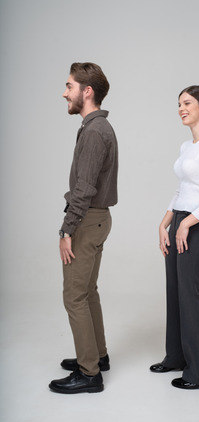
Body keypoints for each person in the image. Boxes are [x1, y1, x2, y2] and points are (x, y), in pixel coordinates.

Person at [150, 85, 199, 390]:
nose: (181, 108)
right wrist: (166, 222)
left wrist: (187, 224)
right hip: (179, 222)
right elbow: (182, 190)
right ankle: (177, 357)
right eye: (179, 104)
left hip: (197, 227)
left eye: (187, 103)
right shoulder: (186, 147)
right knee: (175, 293)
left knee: (192, 297)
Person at [49, 62, 118, 394]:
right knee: (88, 292)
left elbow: (84, 189)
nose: (65, 92)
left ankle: (90, 374)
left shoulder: (93, 132)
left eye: (69, 86)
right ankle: (98, 356)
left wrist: (66, 231)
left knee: (74, 296)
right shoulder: (99, 128)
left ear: (86, 92)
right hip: (98, 218)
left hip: (87, 220)